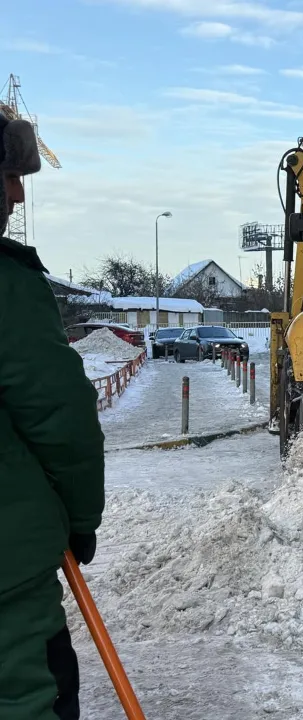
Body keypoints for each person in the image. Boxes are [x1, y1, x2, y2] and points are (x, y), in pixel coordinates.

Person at [0, 115, 105, 719]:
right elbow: (58, 415)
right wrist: (78, 516)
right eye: (10, 175)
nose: (17, 194)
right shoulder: (6, 287)